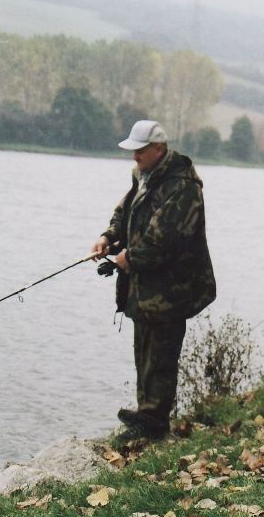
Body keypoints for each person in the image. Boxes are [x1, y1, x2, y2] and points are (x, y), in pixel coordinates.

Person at [92, 120, 217, 441]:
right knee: (144, 348)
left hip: (172, 287)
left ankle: (154, 424)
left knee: (161, 354)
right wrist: (109, 237)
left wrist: (128, 258)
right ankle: (146, 412)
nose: (134, 156)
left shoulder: (183, 186)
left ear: (159, 149)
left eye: (140, 150)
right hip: (146, 285)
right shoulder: (143, 175)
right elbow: (126, 213)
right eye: (133, 150)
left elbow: (164, 238)